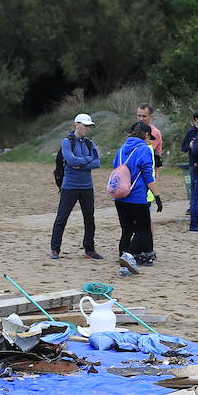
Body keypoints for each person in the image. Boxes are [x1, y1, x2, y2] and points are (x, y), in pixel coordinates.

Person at [50, 113, 103, 260]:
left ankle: (89, 249)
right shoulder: (67, 142)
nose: (87, 128)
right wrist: (87, 160)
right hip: (70, 186)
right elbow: (71, 161)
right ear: (76, 124)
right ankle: (55, 249)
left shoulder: (89, 143)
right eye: (85, 125)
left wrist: (82, 163)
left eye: (89, 126)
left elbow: (97, 162)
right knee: (61, 218)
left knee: (89, 219)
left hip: (87, 187)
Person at [112, 122, 161, 274]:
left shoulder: (121, 150)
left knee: (126, 230)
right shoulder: (144, 150)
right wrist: (157, 195)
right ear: (145, 135)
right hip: (137, 197)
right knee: (143, 230)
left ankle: (123, 258)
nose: (149, 140)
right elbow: (148, 175)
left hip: (120, 196)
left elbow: (115, 167)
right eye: (149, 137)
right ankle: (128, 257)